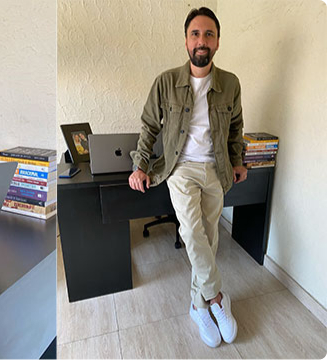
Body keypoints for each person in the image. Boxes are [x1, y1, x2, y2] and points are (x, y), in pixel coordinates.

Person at [128, 7, 246, 348]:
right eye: (195, 34)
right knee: (193, 233)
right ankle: (217, 299)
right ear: (186, 41)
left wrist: (238, 160)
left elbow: (236, 127)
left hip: (217, 168)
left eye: (209, 34)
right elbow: (149, 126)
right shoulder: (166, 82)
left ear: (218, 42)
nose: (202, 41)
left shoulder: (230, 84)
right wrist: (139, 164)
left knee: (208, 240)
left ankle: (197, 306)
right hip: (179, 168)